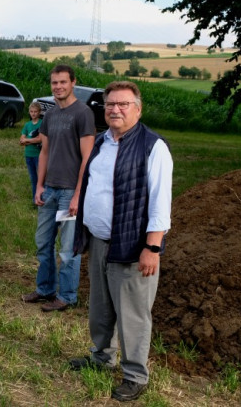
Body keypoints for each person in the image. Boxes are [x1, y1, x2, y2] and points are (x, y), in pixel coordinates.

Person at [67, 81, 172, 402]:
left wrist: (152, 248)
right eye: (110, 104)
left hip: (132, 246)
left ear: (138, 109)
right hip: (99, 241)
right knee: (100, 308)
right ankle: (101, 358)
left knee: (133, 314)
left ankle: (135, 374)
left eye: (123, 104)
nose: (115, 109)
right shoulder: (101, 143)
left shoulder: (153, 147)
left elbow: (159, 202)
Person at [22, 65, 96, 313]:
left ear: (73, 82)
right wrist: (39, 185)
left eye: (63, 82)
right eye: (54, 83)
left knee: (67, 250)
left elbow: (87, 158)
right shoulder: (50, 115)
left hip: (67, 195)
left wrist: (77, 194)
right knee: (43, 243)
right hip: (50, 191)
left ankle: (66, 296)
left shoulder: (83, 113)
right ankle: (45, 289)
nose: (58, 87)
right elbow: (44, 152)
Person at [19, 101, 44, 201]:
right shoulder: (27, 125)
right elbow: (21, 140)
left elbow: (40, 139)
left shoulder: (42, 123)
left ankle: (42, 197)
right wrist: (28, 141)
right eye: (31, 111)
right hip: (28, 154)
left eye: (35, 111)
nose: (33, 113)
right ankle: (35, 199)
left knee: (41, 178)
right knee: (33, 178)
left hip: (38, 154)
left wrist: (27, 140)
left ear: (39, 112)